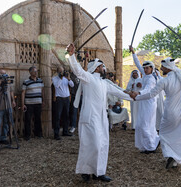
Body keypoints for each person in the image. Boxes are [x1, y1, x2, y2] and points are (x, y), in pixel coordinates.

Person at [66, 43, 132, 182]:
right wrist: (71, 56)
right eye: (102, 66)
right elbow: (78, 71)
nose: (104, 68)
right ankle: (85, 171)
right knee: (92, 144)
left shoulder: (105, 83)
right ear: (96, 68)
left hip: (102, 118)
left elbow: (120, 92)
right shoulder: (88, 79)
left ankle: (99, 172)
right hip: (90, 118)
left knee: (102, 144)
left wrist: (136, 96)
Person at [130, 46, 181, 169]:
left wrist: (136, 97)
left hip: (170, 112)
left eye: (162, 67)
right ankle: (175, 159)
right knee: (179, 135)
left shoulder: (163, 81)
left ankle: (171, 156)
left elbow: (150, 94)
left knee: (164, 134)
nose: (160, 69)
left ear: (167, 67)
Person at [129, 46, 160, 154]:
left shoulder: (151, 78)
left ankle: (151, 147)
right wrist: (133, 53)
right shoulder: (146, 75)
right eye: (144, 68)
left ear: (151, 68)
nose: (145, 69)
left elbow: (147, 90)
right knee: (144, 125)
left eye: (147, 68)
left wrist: (138, 93)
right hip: (144, 102)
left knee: (144, 125)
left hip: (149, 103)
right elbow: (138, 64)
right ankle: (152, 142)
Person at [0, 69, 16, 146]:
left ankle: (4, 138)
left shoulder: (8, 82)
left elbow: (11, 91)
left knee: (6, 123)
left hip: (8, 105)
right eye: (2, 74)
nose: (4, 75)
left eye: (5, 73)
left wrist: (13, 100)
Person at [21, 66, 44, 141]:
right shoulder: (26, 82)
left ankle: (38, 134)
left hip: (38, 102)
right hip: (29, 103)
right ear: (30, 72)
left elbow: (42, 91)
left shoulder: (40, 80)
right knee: (28, 119)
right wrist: (22, 104)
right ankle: (27, 135)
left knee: (38, 118)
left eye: (36, 71)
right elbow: (23, 93)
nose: (36, 72)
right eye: (34, 71)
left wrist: (43, 100)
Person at [52, 66, 74, 139]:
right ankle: (56, 134)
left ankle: (65, 131)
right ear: (57, 72)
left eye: (62, 71)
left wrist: (69, 78)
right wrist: (61, 78)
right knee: (57, 116)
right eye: (60, 71)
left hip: (66, 98)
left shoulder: (66, 78)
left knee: (66, 116)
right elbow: (57, 86)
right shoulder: (55, 78)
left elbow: (72, 85)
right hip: (59, 99)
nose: (62, 72)